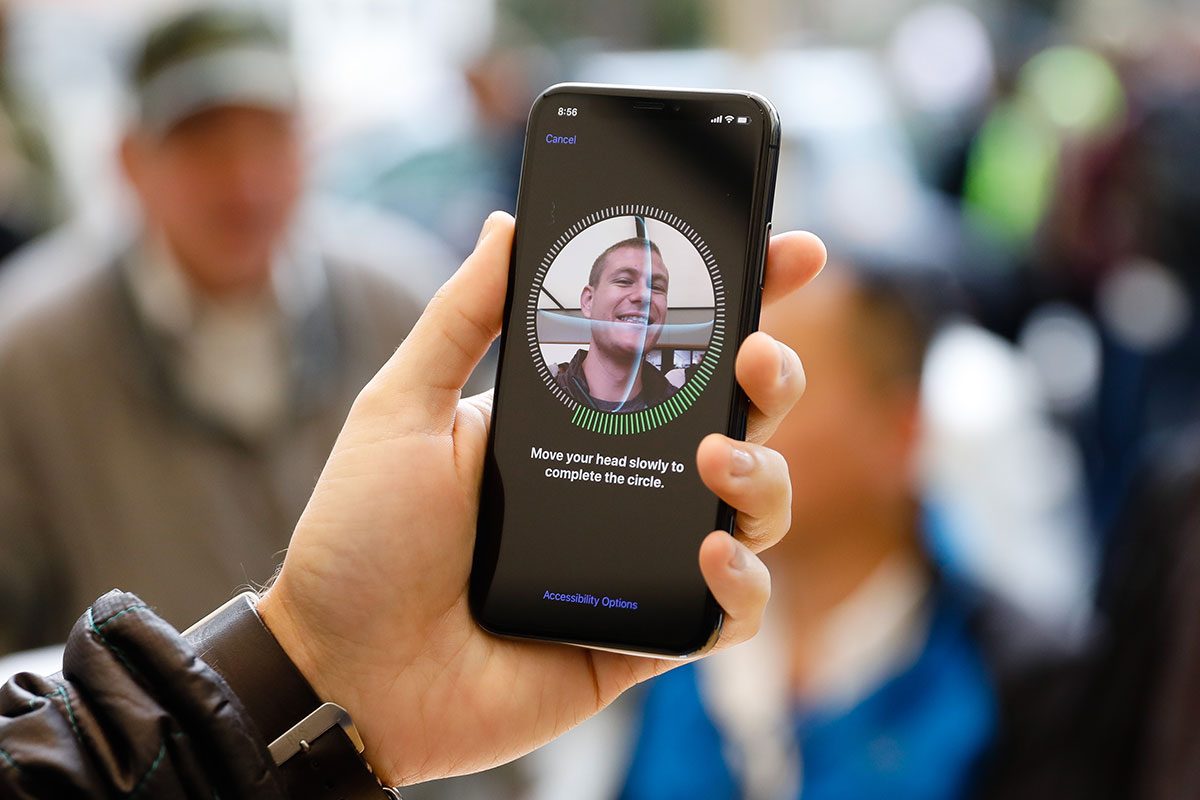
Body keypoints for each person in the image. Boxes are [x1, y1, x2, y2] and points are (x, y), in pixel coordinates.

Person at [0, 212, 827, 797]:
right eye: (619, 279)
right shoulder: (34, 350)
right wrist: (307, 668)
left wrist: (313, 667)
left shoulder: (383, 288)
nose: (242, 178)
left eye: (656, 285)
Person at [0, 7, 450, 652]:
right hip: (154, 751)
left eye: (268, 137)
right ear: (130, 161)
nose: (244, 181)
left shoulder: (406, 310)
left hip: (398, 751)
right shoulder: (33, 353)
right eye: (203, 143)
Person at [607, 259, 1075, 800]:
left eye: (781, 388)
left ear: (901, 432)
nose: (732, 421)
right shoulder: (669, 637)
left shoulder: (1020, 680)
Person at [553, 237, 677, 412]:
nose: (644, 296)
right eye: (624, 281)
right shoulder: (534, 402)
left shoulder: (690, 412)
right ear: (589, 301)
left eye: (656, 287)